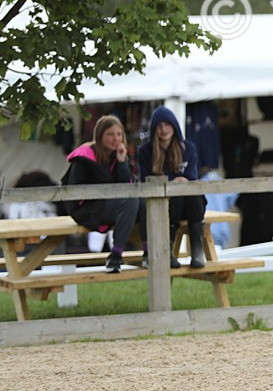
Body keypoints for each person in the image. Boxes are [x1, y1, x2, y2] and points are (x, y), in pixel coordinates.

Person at [63, 115, 143, 272]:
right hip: (85, 209)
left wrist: (122, 162)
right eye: (111, 134)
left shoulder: (118, 156)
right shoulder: (84, 157)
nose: (116, 139)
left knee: (143, 202)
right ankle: (116, 255)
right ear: (100, 136)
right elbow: (75, 192)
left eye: (119, 134)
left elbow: (127, 186)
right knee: (132, 201)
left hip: (109, 206)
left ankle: (148, 252)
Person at [136, 106, 206, 269]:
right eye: (159, 126)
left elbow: (191, 178)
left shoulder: (188, 148)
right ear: (154, 129)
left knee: (191, 193)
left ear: (174, 126)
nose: (163, 130)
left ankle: (197, 249)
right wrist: (173, 183)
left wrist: (177, 183)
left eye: (167, 124)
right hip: (162, 206)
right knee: (177, 193)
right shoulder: (145, 151)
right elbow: (146, 181)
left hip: (189, 204)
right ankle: (166, 249)